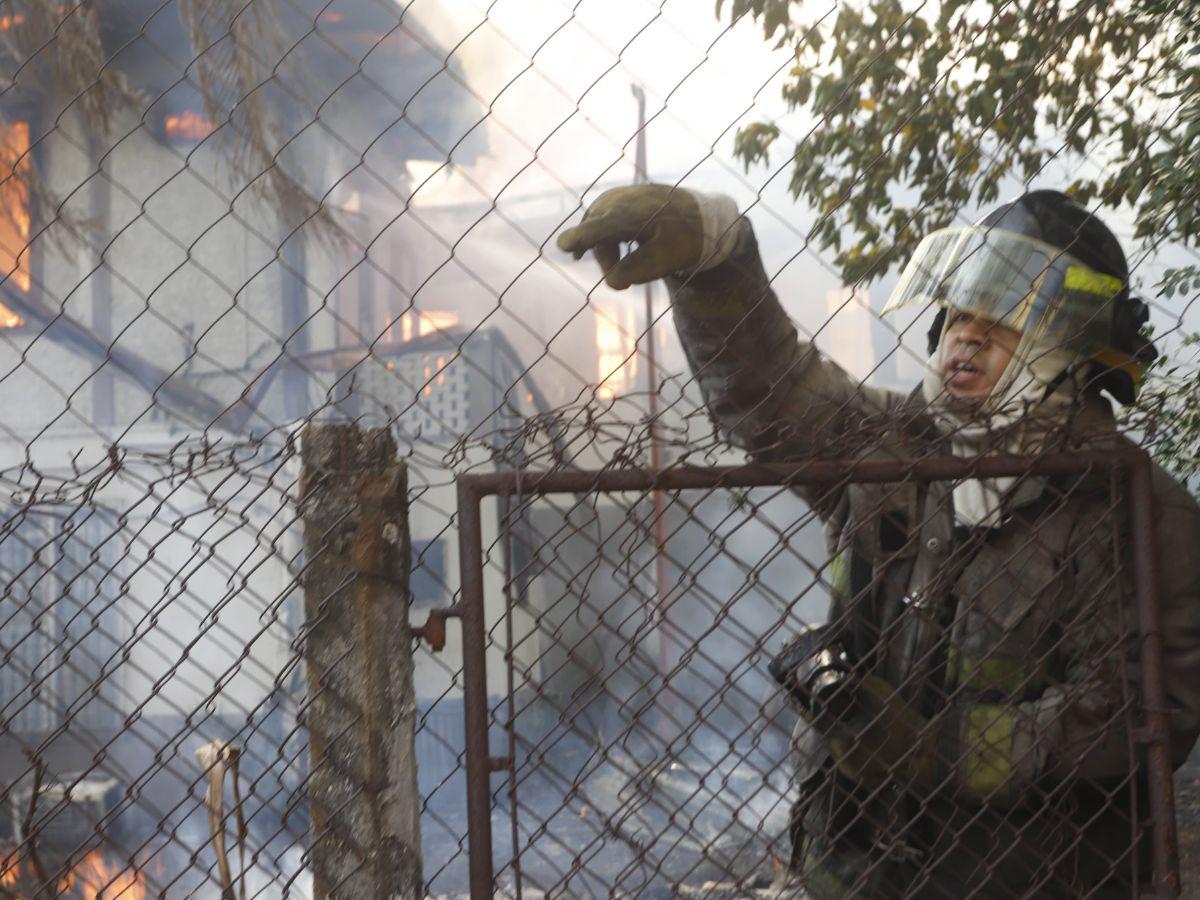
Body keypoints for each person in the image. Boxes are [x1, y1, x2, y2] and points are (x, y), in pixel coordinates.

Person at [556, 185, 1200, 897]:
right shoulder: (891, 447)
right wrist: (716, 256)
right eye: (961, 312)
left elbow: (1143, 715)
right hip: (856, 870)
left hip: (1026, 879)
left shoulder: (1134, 507)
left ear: (1077, 348)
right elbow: (772, 396)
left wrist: (937, 751)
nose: (969, 334)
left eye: (1010, 319)